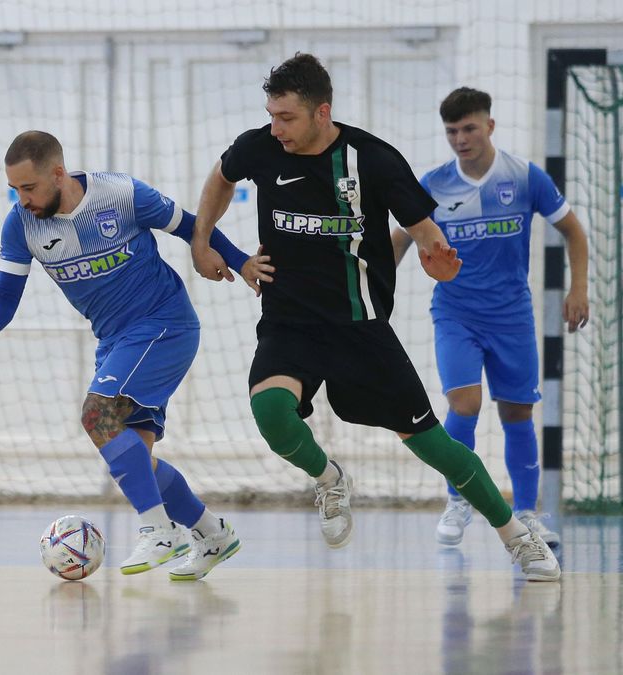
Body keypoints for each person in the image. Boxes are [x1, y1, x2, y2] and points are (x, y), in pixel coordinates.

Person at [190, 53, 559, 581]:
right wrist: (206, 243)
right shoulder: (260, 146)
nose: (276, 128)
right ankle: (330, 478)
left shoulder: (375, 159)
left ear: (322, 112)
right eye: (271, 115)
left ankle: (516, 537)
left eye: (287, 117)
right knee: (271, 413)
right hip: (289, 322)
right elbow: (220, 179)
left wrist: (442, 266)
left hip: (359, 328)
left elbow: (431, 241)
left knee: (435, 445)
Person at [0, 130, 269, 580]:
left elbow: (189, 225)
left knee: (96, 416)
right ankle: (211, 532)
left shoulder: (120, 194)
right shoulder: (21, 224)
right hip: (114, 342)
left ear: (58, 174)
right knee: (135, 458)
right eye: (15, 189)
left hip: (163, 324)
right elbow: (6, 296)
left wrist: (238, 260)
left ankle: (158, 530)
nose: (22, 198)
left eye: (29, 188)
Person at [391, 87, 589, 547]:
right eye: (452, 131)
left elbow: (573, 231)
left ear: (490, 126)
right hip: (455, 313)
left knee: (517, 410)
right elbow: (398, 240)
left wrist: (578, 287)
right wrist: (369, 290)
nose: (460, 138)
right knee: (465, 403)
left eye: (469, 128)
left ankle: (527, 513)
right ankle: (458, 499)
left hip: (512, 316)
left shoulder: (523, 177)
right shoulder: (433, 184)